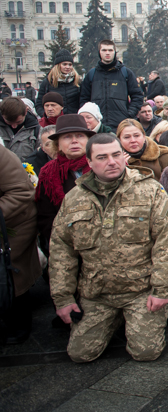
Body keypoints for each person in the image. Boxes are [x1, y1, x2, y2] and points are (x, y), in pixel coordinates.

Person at [48, 133, 168, 363]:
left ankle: (132, 319)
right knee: (80, 354)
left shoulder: (150, 190)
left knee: (146, 352)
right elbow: (61, 250)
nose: (112, 162)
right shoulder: (74, 198)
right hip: (97, 293)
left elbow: (166, 243)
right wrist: (63, 298)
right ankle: (114, 319)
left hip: (140, 290)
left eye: (116, 155)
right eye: (102, 157)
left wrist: (160, 291)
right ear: (89, 162)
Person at [35, 115, 95, 253]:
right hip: (67, 247)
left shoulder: (102, 166)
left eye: (80, 136)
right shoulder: (48, 173)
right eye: (67, 137)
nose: (74, 141)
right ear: (58, 144)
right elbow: (46, 217)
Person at [0, 146, 41, 345]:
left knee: (13, 274)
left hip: (13, 224)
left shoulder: (2, 156)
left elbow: (20, 192)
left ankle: (18, 323)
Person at [79, 39, 144, 129]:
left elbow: (137, 95)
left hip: (120, 124)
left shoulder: (126, 73)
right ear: (99, 52)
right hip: (98, 125)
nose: (107, 53)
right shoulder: (91, 74)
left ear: (115, 52)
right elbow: (83, 98)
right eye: (104, 50)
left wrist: (129, 114)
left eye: (110, 50)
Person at [36, 49, 81, 116]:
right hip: (54, 120)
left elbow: (83, 101)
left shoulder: (77, 82)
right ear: (58, 65)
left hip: (74, 119)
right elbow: (39, 104)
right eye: (64, 64)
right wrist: (46, 116)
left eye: (70, 64)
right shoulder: (48, 82)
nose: (67, 67)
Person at [0, 97, 41, 161]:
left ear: (26, 111)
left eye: (18, 122)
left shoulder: (36, 130)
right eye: (9, 122)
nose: (14, 126)